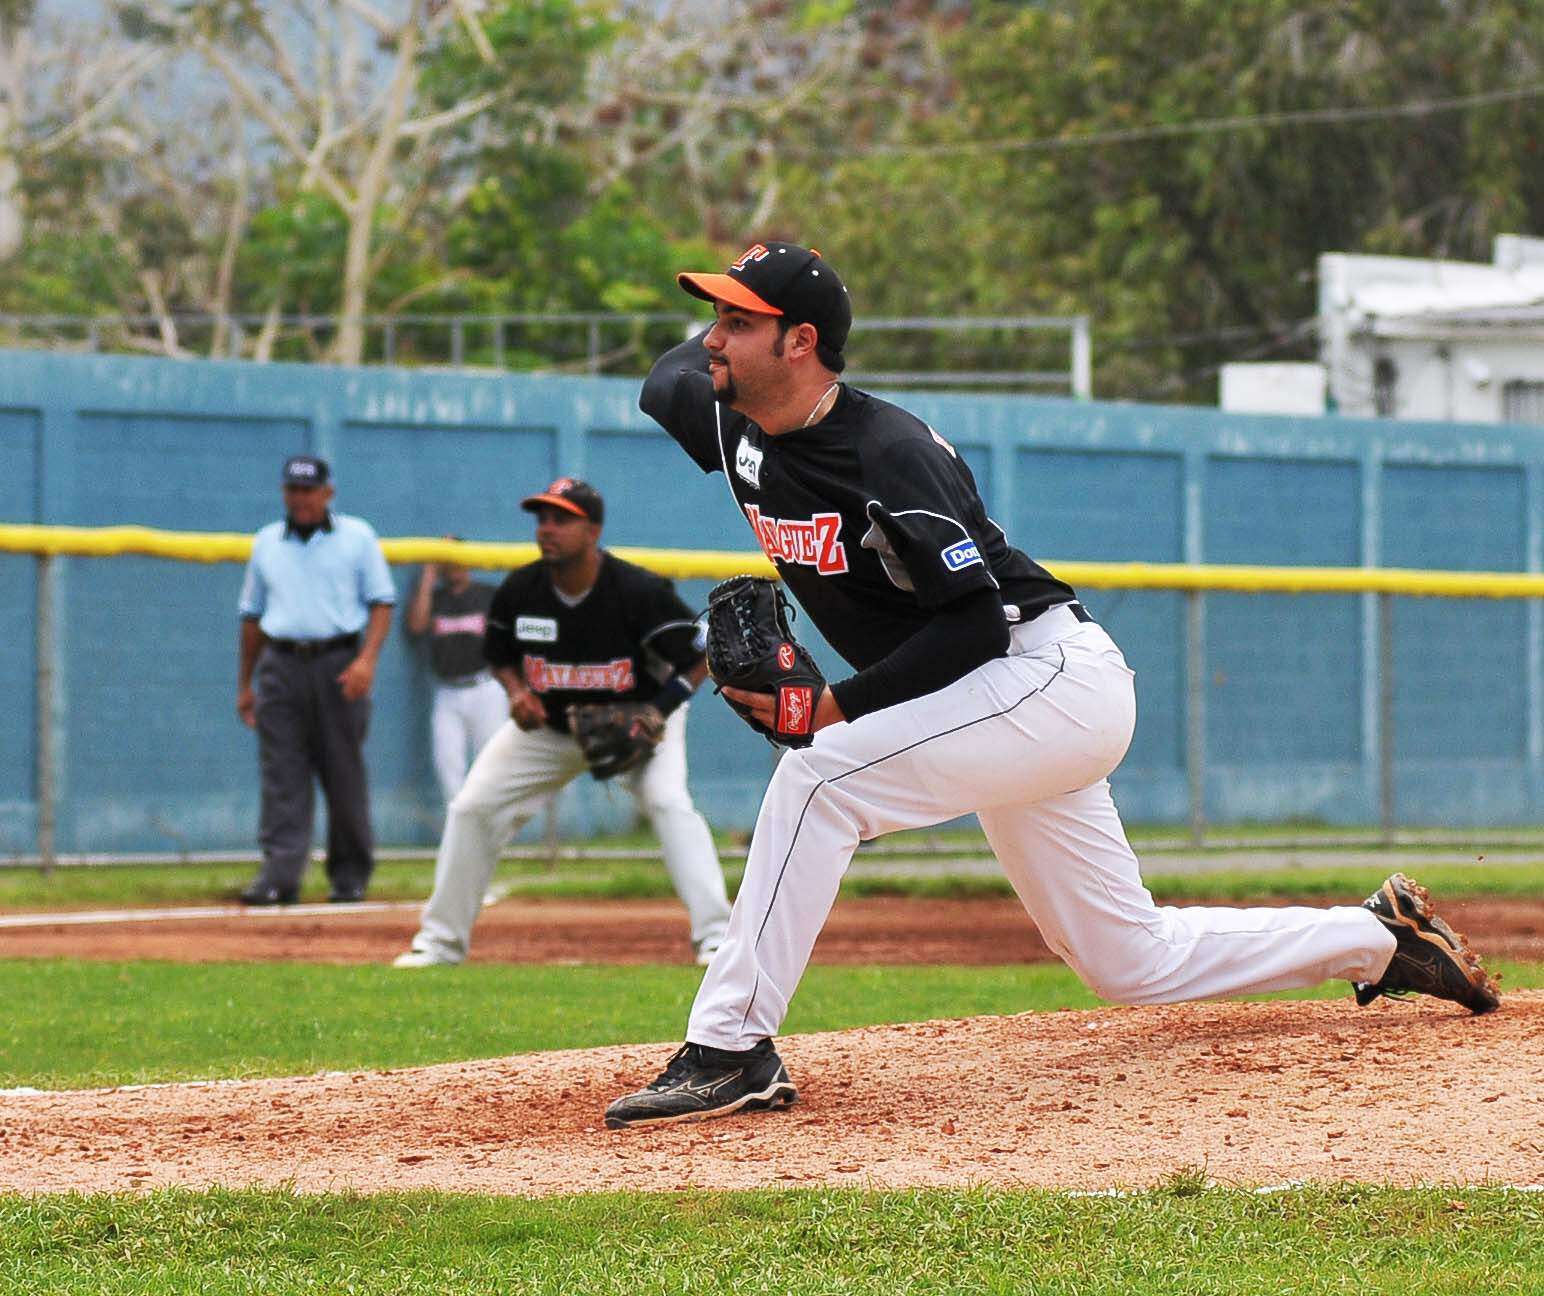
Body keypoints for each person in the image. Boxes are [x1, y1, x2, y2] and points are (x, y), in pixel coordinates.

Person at [602, 241, 1501, 1129]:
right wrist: (729, 324)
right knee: (1127, 962)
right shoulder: (730, 416)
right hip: (982, 707)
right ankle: (1379, 939)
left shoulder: (891, 457)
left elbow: (975, 624)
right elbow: (664, 382)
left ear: (800, 342)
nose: (712, 339)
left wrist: (833, 705)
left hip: (1046, 680)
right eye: (713, 319)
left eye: (736, 321)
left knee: (818, 778)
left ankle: (730, 1050)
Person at [392, 477, 732, 968]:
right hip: (549, 729)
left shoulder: (637, 590)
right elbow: (499, 654)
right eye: (542, 518)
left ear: (592, 530)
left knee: (668, 803)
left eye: (561, 519)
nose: (547, 528)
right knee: (471, 809)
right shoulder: (521, 589)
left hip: (640, 720)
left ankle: (718, 940)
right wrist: (515, 692)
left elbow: (700, 658)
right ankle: (440, 944)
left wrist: (658, 710)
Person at [236, 454, 395, 905]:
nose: (300, 499)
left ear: (328, 493)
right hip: (281, 663)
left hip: (337, 663)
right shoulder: (267, 542)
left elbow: (382, 601)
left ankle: (349, 875)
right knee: (282, 774)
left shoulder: (357, 537)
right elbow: (251, 616)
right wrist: (245, 683)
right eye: (293, 490)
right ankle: (280, 876)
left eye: (309, 490)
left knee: (342, 772)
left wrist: (367, 660)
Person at [405, 537, 506, 804]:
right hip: (447, 690)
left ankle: (489, 831)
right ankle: (459, 832)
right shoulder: (435, 599)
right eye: (448, 560)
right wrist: (427, 577)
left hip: (484, 686)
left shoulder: (488, 595)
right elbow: (416, 627)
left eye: (458, 558)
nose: (455, 566)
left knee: (491, 763)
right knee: (448, 764)